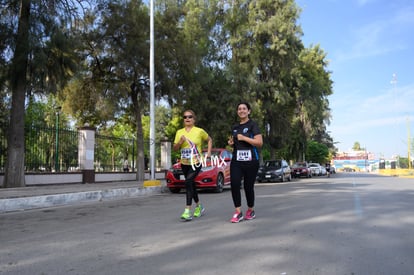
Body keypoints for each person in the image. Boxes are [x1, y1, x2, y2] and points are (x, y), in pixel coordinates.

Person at [173, 110, 212, 221]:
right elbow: (175, 148)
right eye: (185, 117)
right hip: (185, 163)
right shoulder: (179, 132)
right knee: (191, 185)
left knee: (188, 182)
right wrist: (180, 142)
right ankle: (199, 206)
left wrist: (208, 154)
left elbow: (209, 140)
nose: (187, 119)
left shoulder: (199, 131)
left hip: (196, 162)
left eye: (190, 117)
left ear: (194, 119)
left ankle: (187, 210)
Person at [228, 102, 263, 223]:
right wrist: (232, 143)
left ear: (249, 111)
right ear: (237, 112)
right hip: (237, 160)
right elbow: (236, 143)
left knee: (248, 187)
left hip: (251, 161)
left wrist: (244, 138)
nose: (241, 110)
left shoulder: (253, 125)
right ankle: (238, 212)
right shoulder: (234, 127)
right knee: (235, 184)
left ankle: (250, 209)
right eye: (239, 109)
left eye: (244, 109)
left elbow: (259, 142)